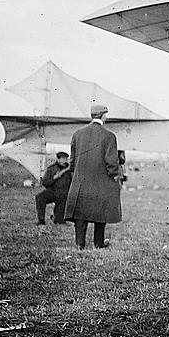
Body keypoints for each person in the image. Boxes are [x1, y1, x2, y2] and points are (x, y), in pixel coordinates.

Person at [63, 102, 122, 249]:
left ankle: (80, 244)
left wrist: (76, 175)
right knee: (100, 213)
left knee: (80, 214)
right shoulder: (109, 136)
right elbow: (111, 161)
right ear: (104, 115)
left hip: (81, 180)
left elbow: (72, 160)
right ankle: (98, 243)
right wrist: (115, 176)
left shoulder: (78, 134)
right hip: (101, 181)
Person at [35, 151, 72, 225]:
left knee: (63, 198)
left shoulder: (70, 169)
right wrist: (54, 178)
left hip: (64, 193)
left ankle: (58, 219)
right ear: (58, 159)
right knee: (40, 197)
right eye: (63, 158)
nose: (65, 160)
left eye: (66, 158)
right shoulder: (51, 169)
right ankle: (41, 220)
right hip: (53, 191)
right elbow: (45, 183)